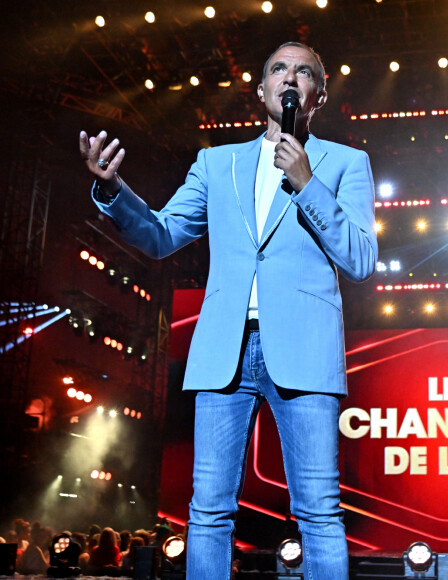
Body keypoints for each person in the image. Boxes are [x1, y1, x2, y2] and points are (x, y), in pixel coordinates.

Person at [79, 41, 378, 580]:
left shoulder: (345, 163)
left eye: (304, 72)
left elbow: (359, 258)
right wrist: (112, 190)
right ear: (261, 90)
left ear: (319, 96)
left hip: (304, 351)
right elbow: (163, 233)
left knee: (318, 512)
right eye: (279, 69)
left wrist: (307, 182)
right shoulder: (217, 164)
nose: (290, 78)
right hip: (225, 349)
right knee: (209, 510)